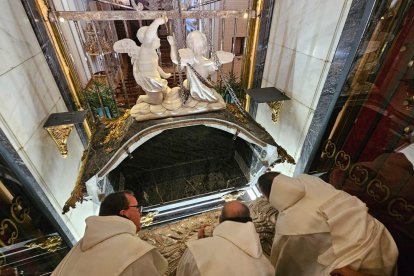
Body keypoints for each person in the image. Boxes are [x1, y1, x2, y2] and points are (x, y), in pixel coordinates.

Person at [257, 172, 398, 276]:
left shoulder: (287, 227)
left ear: (269, 197)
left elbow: (286, 266)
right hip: (382, 238)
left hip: (364, 263)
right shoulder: (307, 179)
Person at [52, 191, 167, 276]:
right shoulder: (136, 250)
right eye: (137, 208)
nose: (140, 213)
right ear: (124, 212)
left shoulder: (80, 246)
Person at [176, 201, 274, 276]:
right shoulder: (265, 259)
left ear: (220, 220)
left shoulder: (195, 251)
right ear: (250, 220)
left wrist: (201, 244)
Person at [168, 31, 234, 103]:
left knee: (212, 98)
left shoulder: (207, 60)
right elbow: (176, 62)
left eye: (200, 46)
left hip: (203, 86)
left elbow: (211, 72)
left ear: (204, 47)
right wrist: (173, 45)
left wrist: (215, 65)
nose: (198, 49)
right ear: (190, 46)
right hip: (195, 89)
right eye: (195, 45)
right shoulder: (190, 58)